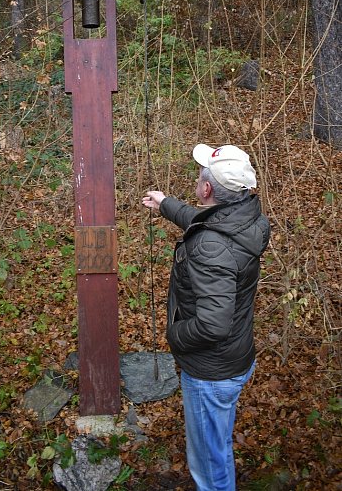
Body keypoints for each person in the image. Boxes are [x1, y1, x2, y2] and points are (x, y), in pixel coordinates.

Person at [142, 144, 270, 491]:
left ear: (207, 189)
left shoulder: (210, 247)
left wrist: (175, 335)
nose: (197, 179)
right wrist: (166, 204)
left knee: (209, 462)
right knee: (216, 444)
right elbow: (212, 226)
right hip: (235, 358)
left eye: (201, 176)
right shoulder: (249, 218)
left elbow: (212, 324)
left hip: (210, 372)